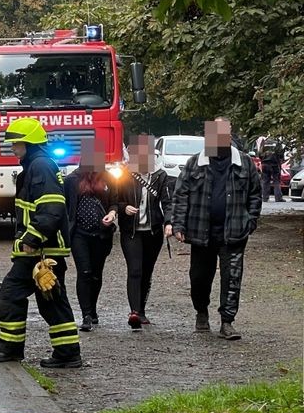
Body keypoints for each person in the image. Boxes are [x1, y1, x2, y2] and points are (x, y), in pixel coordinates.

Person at [0, 118, 81, 369]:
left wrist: (32, 237)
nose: (13, 148)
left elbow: (51, 207)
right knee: (51, 301)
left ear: (28, 143)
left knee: (11, 294)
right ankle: (67, 352)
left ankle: (11, 348)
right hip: (42, 249)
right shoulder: (37, 165)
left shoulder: (40, 166)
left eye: (16, 143)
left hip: (40, 251)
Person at [170, 117, 262, 340]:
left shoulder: (245, 163)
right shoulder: (195, 163)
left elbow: (255, 195)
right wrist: (178, 224)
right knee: (199, 277)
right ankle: (201, 312)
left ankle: (227, 322)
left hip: (235, 231)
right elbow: (181, 195)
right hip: (201, 231)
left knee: (232, 278)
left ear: (229, 136)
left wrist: (250, 221)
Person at [112, 134, 174, 330]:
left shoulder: (160, 176)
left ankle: (142, 309)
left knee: (147, 271)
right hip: (131, 231)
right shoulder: (124, 175)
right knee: (135, 270)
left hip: (153, 231)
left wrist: (169, 222)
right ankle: (134, 312)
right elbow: (115, 200)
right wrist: (124, 208)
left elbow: (167, 202)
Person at [64, 136, 117, 331]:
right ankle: (86, 314)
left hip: (101, 233)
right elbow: (66, 206)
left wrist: (112, 213)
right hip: (79, 233)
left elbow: (114, 201)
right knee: (84, 272)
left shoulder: (108, 179)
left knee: (96, 274)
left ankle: (93, 309)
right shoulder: (72, 179)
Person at [257, 135, 285, 202]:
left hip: (265, 164)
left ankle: (265, 198)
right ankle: (278, 198)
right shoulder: (277, 143)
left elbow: (259, 153)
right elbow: (280, 154)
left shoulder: (264, 143)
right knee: (276, 181)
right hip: (274, 164)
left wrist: (263, 159)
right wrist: (280, 160)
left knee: (265, 181)